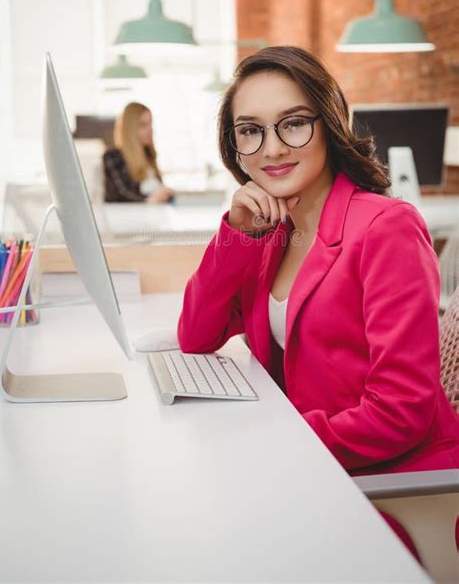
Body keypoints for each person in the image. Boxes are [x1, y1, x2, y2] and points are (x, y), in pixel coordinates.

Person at [177, 46, 459, 557]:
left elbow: (402, 411)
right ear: (234, 147)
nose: (273, 149)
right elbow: (196, 335)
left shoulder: (384, 228)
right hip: (325, 466)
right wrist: (236, 233)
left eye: (294, 123)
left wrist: (278, 443)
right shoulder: (274, 234)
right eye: (250, 130)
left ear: (329, 125)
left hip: (399, 483)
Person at [103, 102, 174, 203]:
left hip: (155, 214)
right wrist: (149, 200)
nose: (149, 130)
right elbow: (122, 193)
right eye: (143, 125)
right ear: (130, 128)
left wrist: (166, 194)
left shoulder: (148, 155)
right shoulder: (113, 156)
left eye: (150, 124)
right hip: (131, 215)